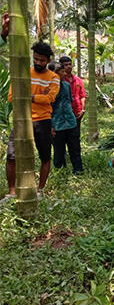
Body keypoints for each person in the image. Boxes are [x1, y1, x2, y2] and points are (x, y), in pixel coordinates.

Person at [3, 41, 60, 200]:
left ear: (48, 61)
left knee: (45, 156)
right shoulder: (23, 73)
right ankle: (12, 192)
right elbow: (11, 97)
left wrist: (27, 96)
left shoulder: (54, 77)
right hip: (21, 120)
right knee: (11, 156)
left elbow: (50, 98)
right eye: (36, 59)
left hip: (43, 121)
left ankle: (39, 191)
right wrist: (38, 96)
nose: (38, 62)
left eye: (42, 60)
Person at [48, 62, 83, 174]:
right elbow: (47, 107)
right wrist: (50, 125)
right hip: (57, 123)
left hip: (70, 121)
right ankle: (60, 170)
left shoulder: (66, 86)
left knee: (75, 147)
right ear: (53, 74)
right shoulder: (47, 89)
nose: (64, 73)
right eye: (61, 72)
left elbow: (69, 101)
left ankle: (78, 170)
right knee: (59, 149)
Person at [58, 56, 86, 138]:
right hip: (63, 114)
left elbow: (82, 96)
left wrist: (82, 110)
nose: (69, 66)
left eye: (70, 64)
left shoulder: (78, 80)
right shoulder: (59, 81)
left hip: (77, 112)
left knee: (75, 136)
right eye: (66, 65)